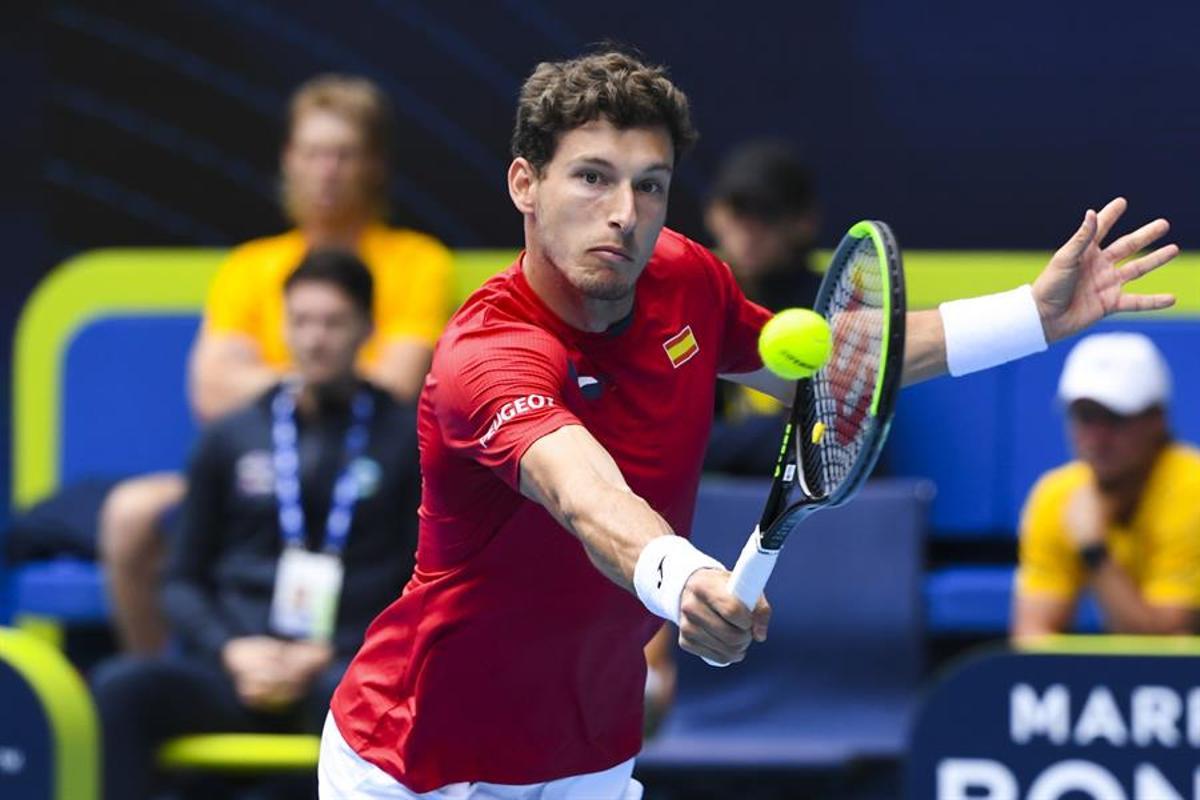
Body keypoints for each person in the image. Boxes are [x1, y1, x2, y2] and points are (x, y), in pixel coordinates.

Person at [321, 50, 1178, 799]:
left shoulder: (684, 280)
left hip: (588, 752)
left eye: (649, 185)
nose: (624, 211)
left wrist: (1027, 316)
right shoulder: (488, 351)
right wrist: (684, 579)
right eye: (592, 176)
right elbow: (583, 492)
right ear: (525, 184)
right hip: (416, 759)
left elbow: (844, 361)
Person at [99, 74, 454, 655]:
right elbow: (211, 393)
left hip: (366, 471)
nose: (328, 170)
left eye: (345, 154)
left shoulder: (417, 262)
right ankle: (178, 671)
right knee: (128, 514)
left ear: (373, 166)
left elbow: (393, 385)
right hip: (257, 466)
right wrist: (327, 370)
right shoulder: (249, 265)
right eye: (314, 153)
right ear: (290, 160)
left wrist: (267, 377)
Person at [92, 249, 422, 800]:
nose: (315, 339)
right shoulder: (232, 436)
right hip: (236, 664)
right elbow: (181, 579)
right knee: (122, 688)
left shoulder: (406, 439)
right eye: (301, 322)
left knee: (375, 701)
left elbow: (420, 582)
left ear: (367, 330)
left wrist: (336, 649)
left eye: (333, 322)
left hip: (342, 668)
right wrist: (230, 648)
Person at [1011, 333, 1200, 637]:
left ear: (1157, 421)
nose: (1097, 438)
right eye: (1085, 417)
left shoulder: (1193, 490)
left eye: (1115, 418)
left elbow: (1166, 654)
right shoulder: (1055, 496)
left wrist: (1095, 551)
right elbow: (1033, 638)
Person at [703, 139, 822, 475]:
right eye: (738, 211)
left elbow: (824, 444)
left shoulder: (831, 304)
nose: (749, 231)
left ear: (804, 223)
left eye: (767, 214)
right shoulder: (695, 301)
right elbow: (670, 436)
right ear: (714, 214)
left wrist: (713, 444)